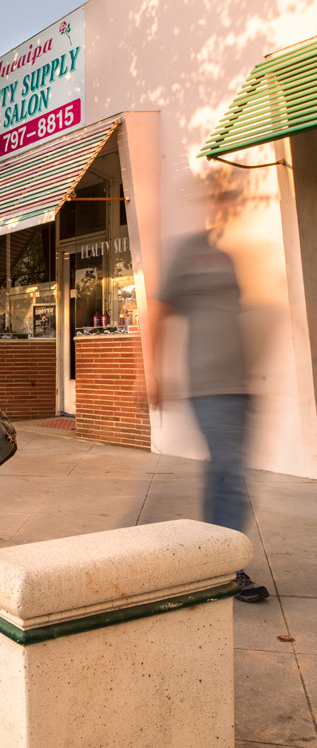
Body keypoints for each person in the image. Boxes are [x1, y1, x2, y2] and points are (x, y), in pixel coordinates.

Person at [147, 227, 268, 603]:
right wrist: (148, 371)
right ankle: (224, 567)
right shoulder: (189, 250)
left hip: (239, 385)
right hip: (210, 385)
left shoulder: (228, 255)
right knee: (230, 473)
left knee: (224, 474)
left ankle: (213, 561)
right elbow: (158, 309)